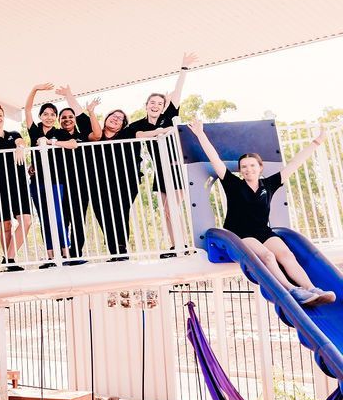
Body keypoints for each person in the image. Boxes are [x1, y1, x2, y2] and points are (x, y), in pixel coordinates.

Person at [187, 120, 334, 306]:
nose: (248, 169)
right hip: (240, 233)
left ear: (260, 167)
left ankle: (311, 289)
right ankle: (292, 290)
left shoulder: (269, 184)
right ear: (240, 170)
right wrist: (200, 134)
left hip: (263, 232)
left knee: (287, 255)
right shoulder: (233, 184)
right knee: (267, 256)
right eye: (244, 167)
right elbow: (214, 158)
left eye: (252, 165)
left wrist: (318, 141)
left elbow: (295, 163)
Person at [125, 52, 198, 257]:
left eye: (159, 103)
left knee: (172, 209)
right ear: (146, 105)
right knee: (166, 212)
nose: (155, 105)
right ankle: (176, 246)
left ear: (163, 106)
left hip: (175, 167)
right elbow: (138, 135)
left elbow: (178, 91)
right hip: (160, 171)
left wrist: (183, 68)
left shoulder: (169, 116)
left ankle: (184, 245)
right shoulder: (140, 124)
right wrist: (159, 132)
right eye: (152, 103)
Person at [24, 83, 73, 267]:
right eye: (46, 114)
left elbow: (73, 144)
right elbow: (27, 110)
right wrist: (35, 89)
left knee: (58, 217)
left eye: (53, 114)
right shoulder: (35, 130)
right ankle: (51, 256)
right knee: (44, 217)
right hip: (37, 182)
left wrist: (52, 142)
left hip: (55, 181)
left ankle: (65, 254)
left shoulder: (60, 133)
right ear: (41, 116)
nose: (50, 117)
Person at [52, 86, 101, 263]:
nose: (67, 120)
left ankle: (76, 253)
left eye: (70, 117)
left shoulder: (82, 134)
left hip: (81, 183)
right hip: (62, 182)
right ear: (59, 120)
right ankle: (63, 253)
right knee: (62, 218)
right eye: (63, 117)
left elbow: (97, 135)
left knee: (79, 218)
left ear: (74, 119)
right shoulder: (56, 134)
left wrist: (70, 97)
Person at [0, 104, 31, 271]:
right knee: (6, 225)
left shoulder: (13, 134)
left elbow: (21, 141)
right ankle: (11, 262)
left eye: (0, 115)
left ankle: (8, 259)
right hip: (0, 183)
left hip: (19, 181)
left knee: (26, 221)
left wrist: (20, 147)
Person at [89, 109, 140, 260]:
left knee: (119, 213)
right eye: (113, 116)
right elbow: (81, 115)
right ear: (106, 118)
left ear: (122, 125)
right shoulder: (95, 134)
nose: (116, 119)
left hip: (123, 183)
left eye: (120, 119)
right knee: (102, 215)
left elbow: (143, 132)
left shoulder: (126, 134)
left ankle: (121, 249)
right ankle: (113, 251)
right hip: (98, 184)